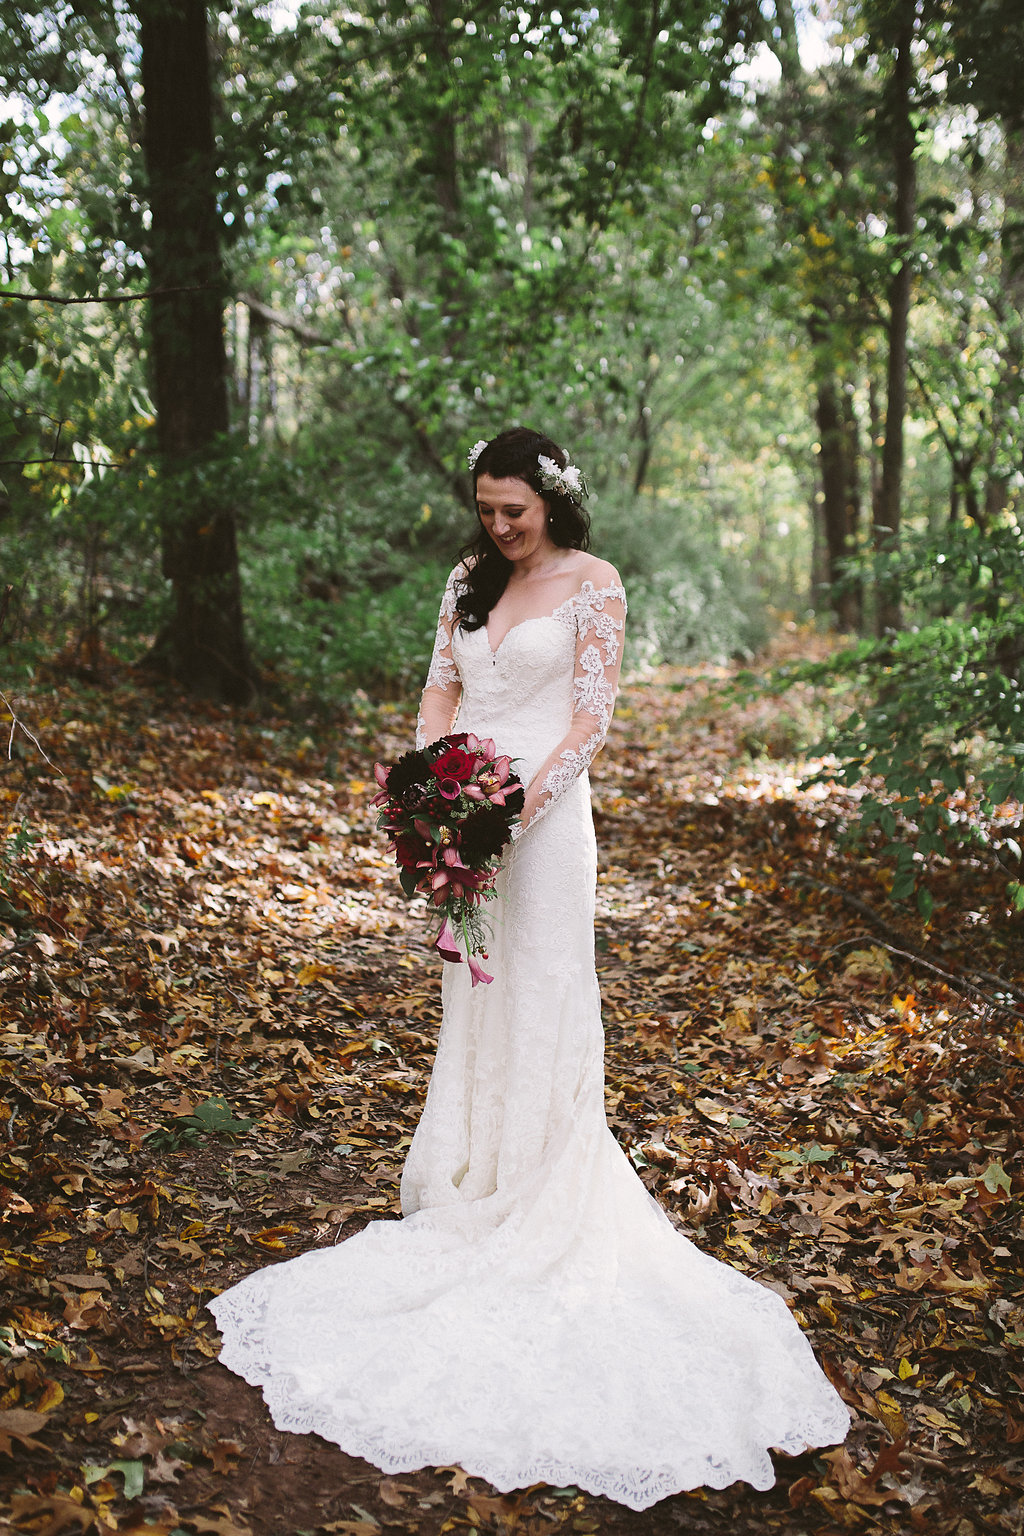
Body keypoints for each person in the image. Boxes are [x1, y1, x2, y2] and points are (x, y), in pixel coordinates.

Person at [210, 427, 850, 1510]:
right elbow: (439, 695)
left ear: (552, 500)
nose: (498, 527)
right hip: (462, 818)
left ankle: (545, 1188)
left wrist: (508, 814)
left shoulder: (594, 585)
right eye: (486, 509)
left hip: (545, 831)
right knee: (474, 995)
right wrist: (429, 792)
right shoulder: (465, 580)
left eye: (514, 510)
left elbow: (590, 723)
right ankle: (477, 1177)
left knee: (546, 991)